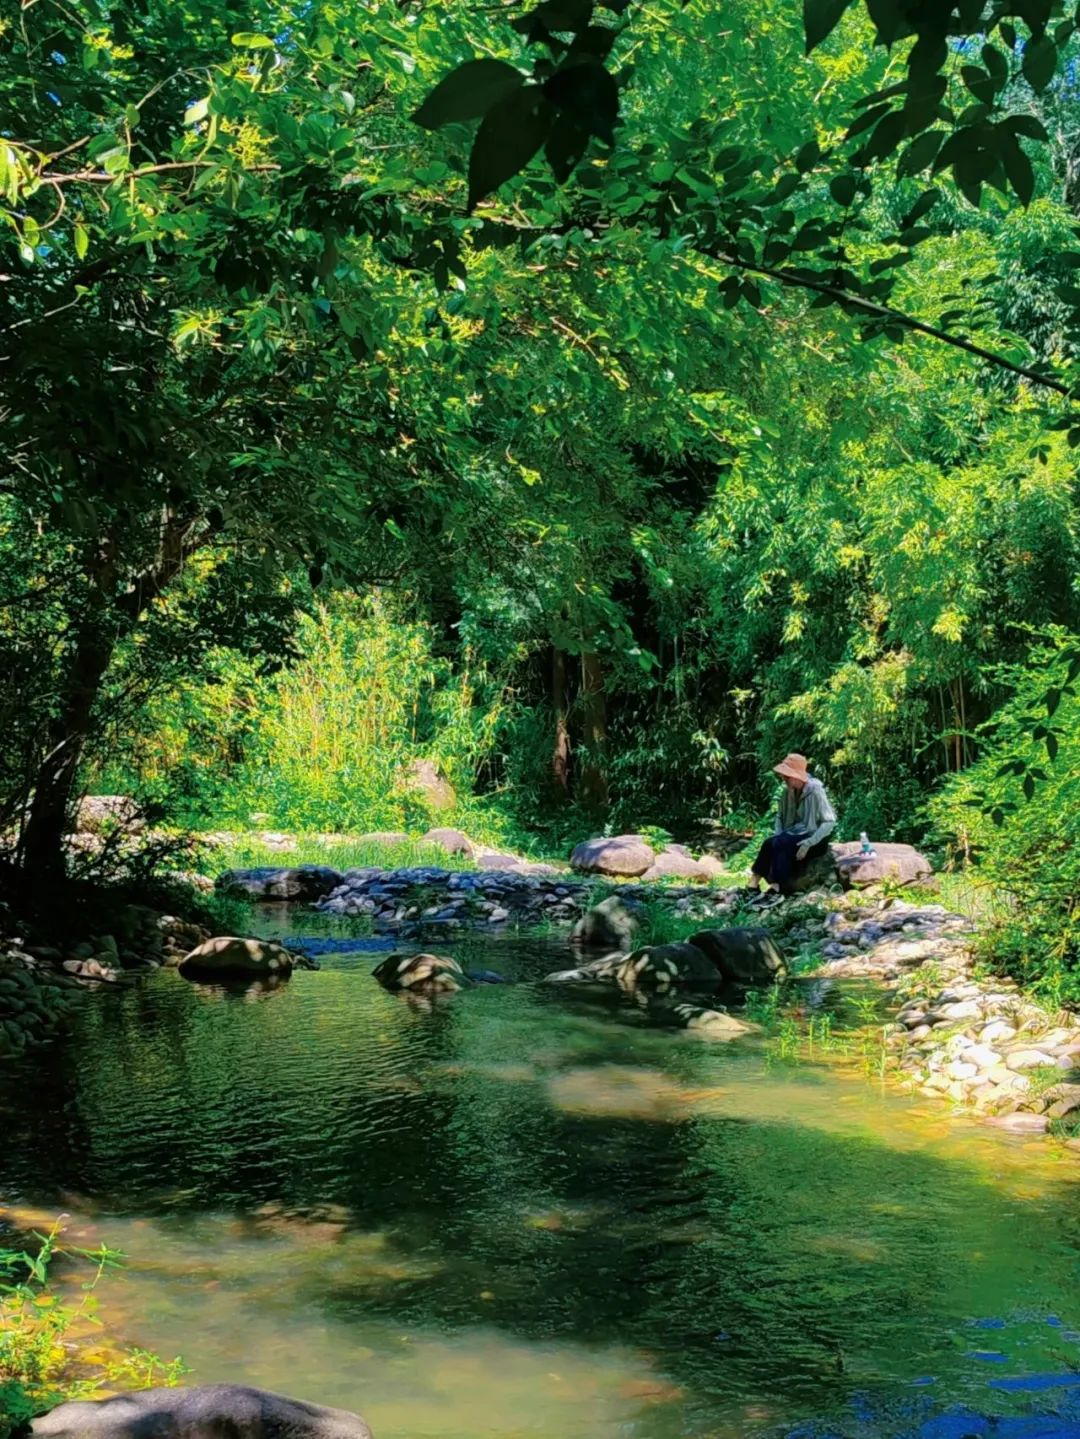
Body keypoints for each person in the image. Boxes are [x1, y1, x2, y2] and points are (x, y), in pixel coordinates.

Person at [746, 753, 836, 909]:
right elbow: (779, 817)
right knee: (770, 843)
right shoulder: (788, 792)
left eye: (787, 775)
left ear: (797, 776)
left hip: (815, 837)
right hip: (793, 834)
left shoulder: (815, 790)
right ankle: (752, 885)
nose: (783, 778)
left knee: (781, 844)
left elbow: (829, 822)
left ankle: (778, 889)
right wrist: (778, 835)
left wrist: (809, 843)